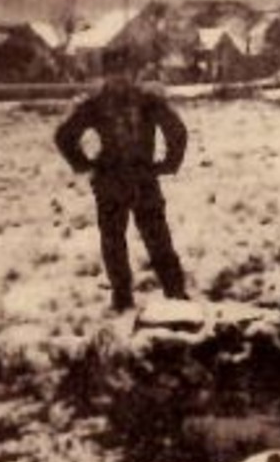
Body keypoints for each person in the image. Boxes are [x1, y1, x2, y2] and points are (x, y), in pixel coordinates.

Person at [54, 45, 189, 311]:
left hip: (141, 180)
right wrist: (84, 164)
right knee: (115, 243)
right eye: (114, 73)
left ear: (133, 73)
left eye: (124, 72)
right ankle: (123, 297)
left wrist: (167, 164)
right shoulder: (95, 106)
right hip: (112, 183)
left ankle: (174, 293)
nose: (119, 79)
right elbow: (65, 136)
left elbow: (177, 131)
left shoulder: (148, 102)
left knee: (157, 239)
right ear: (105, 75)